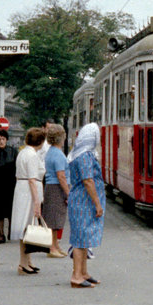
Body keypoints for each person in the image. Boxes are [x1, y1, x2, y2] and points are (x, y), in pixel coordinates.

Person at [66, 122, 105, 288]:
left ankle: (83, 272)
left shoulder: (80, 154)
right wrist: (97, 204)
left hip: (81, 200)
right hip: (83, 201)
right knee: (80, 239)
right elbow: (88, 181)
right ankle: (76, 276)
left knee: (83, 238)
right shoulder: (84, 156)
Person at [10, 127, 47, 274]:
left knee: (27, 227)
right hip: (29, 193)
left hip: (22, 189)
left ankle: (27, 261)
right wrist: (37, 202)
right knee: (27, 227)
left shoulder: (23, 152)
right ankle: (23, 264)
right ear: (40, 141)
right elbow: (32, 179)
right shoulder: (32, 156)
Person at [42, 123, 70, 258]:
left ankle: (55, 245)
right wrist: (68, 193)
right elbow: (61, 176)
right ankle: (52, 247)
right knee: (55, 218)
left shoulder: (51, 152)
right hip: (56, 188)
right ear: (61, 137)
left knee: (55, 217)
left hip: (51, 187)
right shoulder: (58, 154)